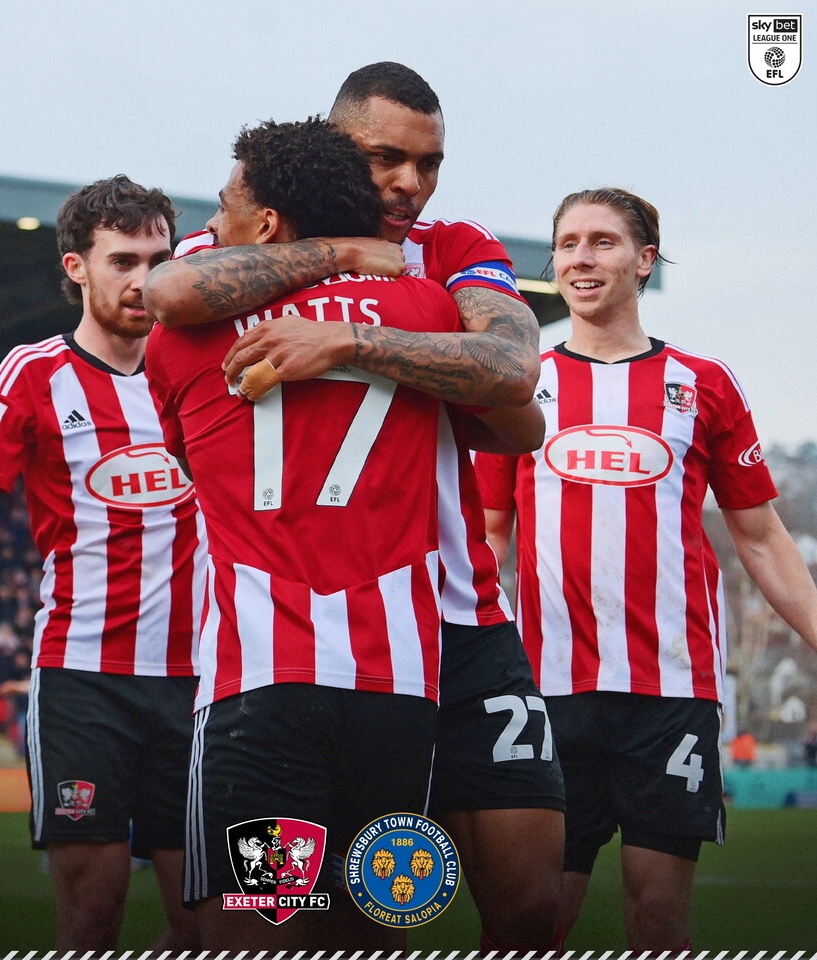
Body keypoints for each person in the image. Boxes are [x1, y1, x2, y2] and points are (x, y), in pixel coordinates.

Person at [143, 62, 565, 950]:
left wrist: (351, 339)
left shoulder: (451, 249)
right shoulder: (247, 240)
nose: (410, 183)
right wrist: (344, 257)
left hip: (454, 614)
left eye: (429, 163)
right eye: (385, 158)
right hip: (349, 625)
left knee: (526, 908)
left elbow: (516, 380)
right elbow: (172, 291)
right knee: (357, 907)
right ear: (333, 150)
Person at [475, 187, 817, 951]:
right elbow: (488, 535)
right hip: (547, 690)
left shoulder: (703, 384)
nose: (581, 258)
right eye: (568, 243)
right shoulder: (521, 385)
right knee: (531, 922)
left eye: (602, 241)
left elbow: (761, 537)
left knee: (659, 921)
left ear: (644, 260)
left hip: (671, 691)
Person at [0, 176, 207, 952]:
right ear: (77, 268)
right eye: (122, 261)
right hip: (85, 680)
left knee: (211, 923)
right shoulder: (33, 372)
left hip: (205, 682)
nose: (144, 279)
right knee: (91, 917)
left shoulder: (206, 367)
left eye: (159, 259)